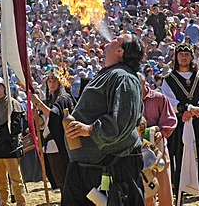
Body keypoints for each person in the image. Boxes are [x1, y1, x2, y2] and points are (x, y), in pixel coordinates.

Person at [62, 33, 145, 205]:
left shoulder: (124, 77)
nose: (112, 38)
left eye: (117, 39)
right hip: (88, 164)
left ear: (120, 51)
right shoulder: (111, 74)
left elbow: (122, 122)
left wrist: (90, 129)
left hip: (114, 164)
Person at [162, 44, 199, 205]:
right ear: (176, 57)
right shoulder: (169, 80)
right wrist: (186, 108)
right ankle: (178, 198)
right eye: (181, 54)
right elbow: (168, 100)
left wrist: (194, 109)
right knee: (178, 159)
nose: (183, 57)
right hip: (180, 124)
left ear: (192, 57)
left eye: (187, 54)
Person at [30, 66, 75, 195]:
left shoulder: (64, 98)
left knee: (65, 179)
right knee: (58, 179)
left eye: (54, 80)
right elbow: (43, 123)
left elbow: (54, 116)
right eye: (49, 81)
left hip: (62, 144)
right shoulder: (48, 101)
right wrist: (36, 116)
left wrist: (37, 102)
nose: (52, 83)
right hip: (50, 145)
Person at [138, 72, 177, 206]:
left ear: (144, 83)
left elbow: (170, 119)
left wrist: (162, 131)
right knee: (145, 188)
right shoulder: (130, 100)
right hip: (139, 149)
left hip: (158, 147)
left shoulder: (159, 98)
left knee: (164, 186)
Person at [0, 76, 27, 206]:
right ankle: (3, 202)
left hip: (10, 146)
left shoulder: (13, 103)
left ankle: (20, 202)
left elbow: (16, 126)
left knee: (15, 178)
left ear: (4, 87)